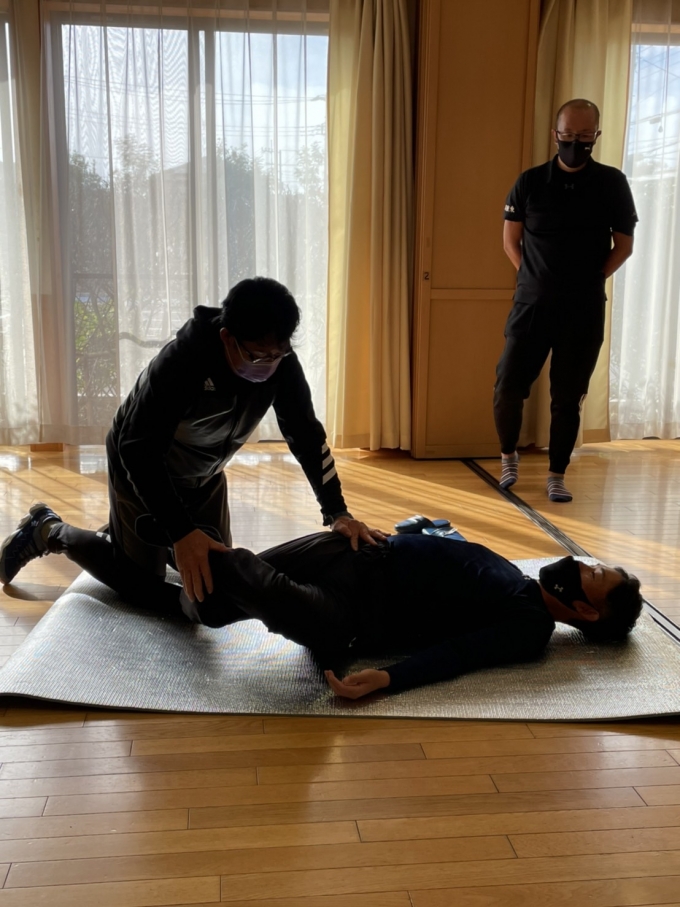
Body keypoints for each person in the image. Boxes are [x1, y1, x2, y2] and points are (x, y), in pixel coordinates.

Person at [0, 277, 384, 604]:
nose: (268, 364)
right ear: (227, 337)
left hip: (204, 473)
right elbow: (138, 449)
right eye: (257, 355)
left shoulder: (281, 365)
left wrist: (338, 512)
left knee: (218, 585)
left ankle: (131, 532)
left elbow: (306, 435)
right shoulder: (184, 362)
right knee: (143, 586)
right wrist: (182, 533)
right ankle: (47, 529)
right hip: (143, 462)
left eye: (278, 353)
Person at [494, 99, 638, 502]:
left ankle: (557, 474)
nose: (576, 142)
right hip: (531, 306)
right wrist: (534, 277)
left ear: (597, 135)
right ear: (555, 134)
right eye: (569, 134)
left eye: (585, 135)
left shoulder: (612, 183)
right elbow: (510, 241)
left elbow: (624, 246)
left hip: (583, 310)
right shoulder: (530, 182)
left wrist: (592, 279)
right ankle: (508, 457)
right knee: (508, 387)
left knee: (567, 398)